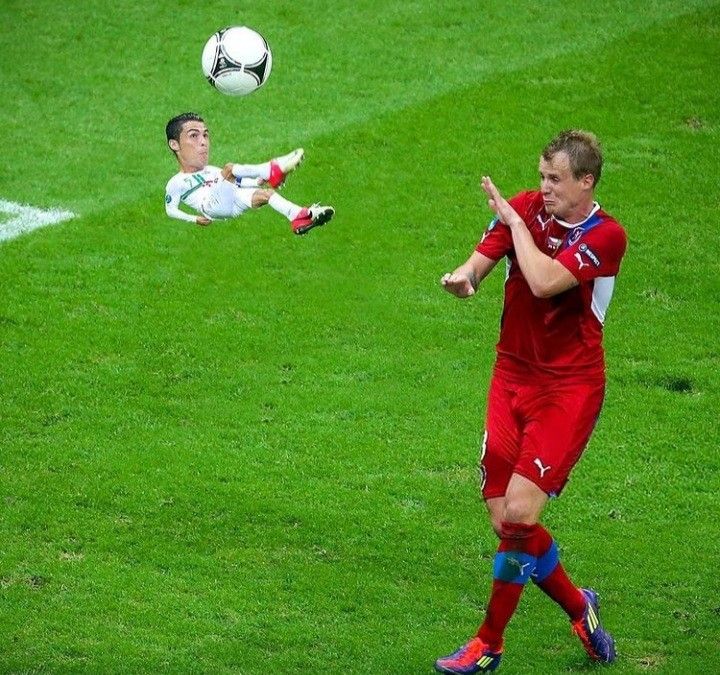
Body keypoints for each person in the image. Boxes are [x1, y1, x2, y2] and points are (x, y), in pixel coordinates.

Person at [435, 130, 627, 673]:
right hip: (511, 374)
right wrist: (464, 279)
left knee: (521, 514)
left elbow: (543, 282)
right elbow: (481, 260)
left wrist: (517, 223)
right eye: (541, 177)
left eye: (555, 180)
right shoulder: (524, 207)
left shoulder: (607, 236)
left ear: (586, 182)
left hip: (568, 389)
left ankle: (488, 645)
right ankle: (578, 606)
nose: (542, 189)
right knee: (504, 522)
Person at [164, 112, 334, 235]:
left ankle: (298, 216)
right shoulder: (176, 182)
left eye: (205, 135)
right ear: (174, 144)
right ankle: (271, 170)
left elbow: (239, 183)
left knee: (267, 194)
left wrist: (259, 181)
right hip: (210, 207)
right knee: (230, 169)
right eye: (194, 135)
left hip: (232, 201)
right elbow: (171, 210)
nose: (203, 142)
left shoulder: (213, 171)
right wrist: (194, 219)